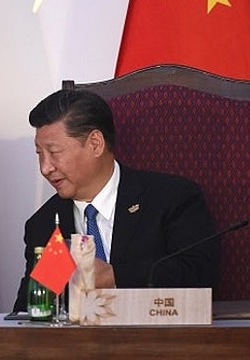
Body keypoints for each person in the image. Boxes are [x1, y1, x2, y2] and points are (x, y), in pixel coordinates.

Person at [12, 89, 220, 312]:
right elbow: (28, 312)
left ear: (95, 143)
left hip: (160, 340)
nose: (45, 167)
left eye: (54, 152)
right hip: (77, 346)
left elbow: (200, 275)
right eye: (39, 154)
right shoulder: (44, 224)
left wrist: (114, 276)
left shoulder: (172, 199)